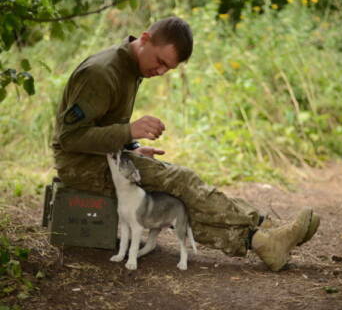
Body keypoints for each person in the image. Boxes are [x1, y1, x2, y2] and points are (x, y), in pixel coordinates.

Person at [52, 16, 320, 271]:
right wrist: (129, 131)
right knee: (181, 180)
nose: (160, 71)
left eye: (168, 68)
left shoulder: (129, 67)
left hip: (106, 157)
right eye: (160, 62)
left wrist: (131, 148)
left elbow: (101, 126)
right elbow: (69, 137)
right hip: (81, 166)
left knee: (178, 185)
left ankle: (265, 234)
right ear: (145, 38)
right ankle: (263, 234)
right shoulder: (102, 72)